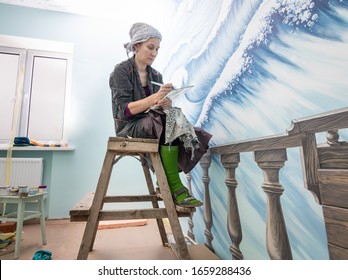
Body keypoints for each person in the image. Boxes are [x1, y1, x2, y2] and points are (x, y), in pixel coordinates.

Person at [109, 22, 212, 208]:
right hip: (129, 126)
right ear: (136, 45)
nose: (154, 53)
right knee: (168, 120)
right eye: (150, 47)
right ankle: (175, 186)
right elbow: (124, 110)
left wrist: (166, 102)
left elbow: (158, 106)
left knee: (174, 117)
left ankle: (164, 183)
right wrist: (156, 97)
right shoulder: (121, 71)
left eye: (157, 48)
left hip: (153, 122)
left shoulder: (156, 75)